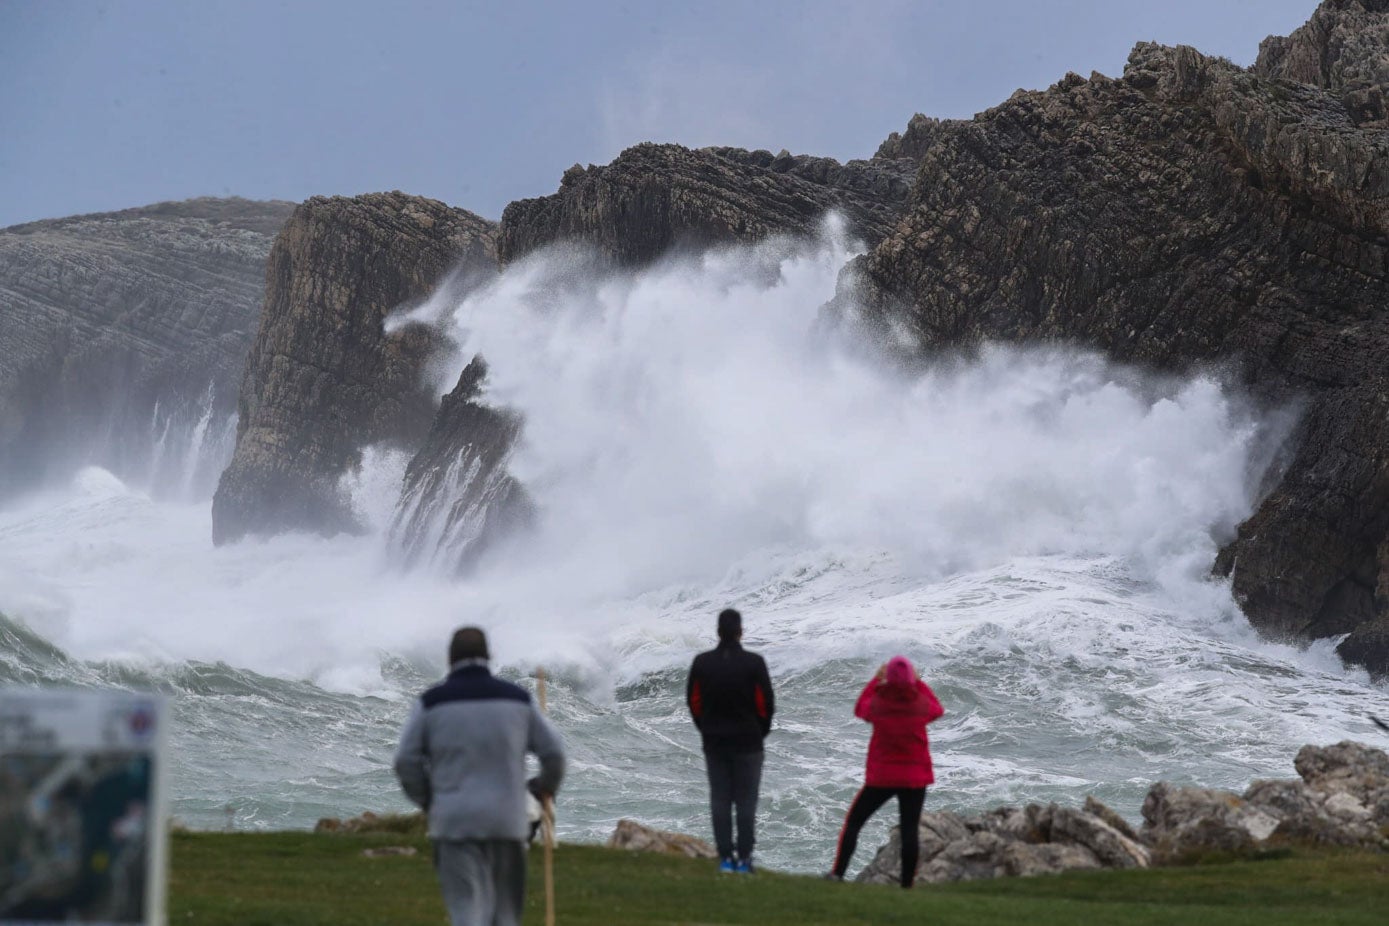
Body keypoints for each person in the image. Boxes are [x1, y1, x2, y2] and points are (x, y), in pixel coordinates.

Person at [395, 627, 565, 926]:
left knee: (466, 912)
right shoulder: (518, 699)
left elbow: (406, 761)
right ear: (489, 657)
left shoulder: (430, 702)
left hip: (454, 820)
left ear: (450, 659)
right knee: (506, 916)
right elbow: (554, 755)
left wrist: (431, 801)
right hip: (508, 821)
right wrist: (543, 790)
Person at [826, 656, 944, 888]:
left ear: (887, 679)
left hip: (882, 778)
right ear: (911, 679)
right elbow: (938, 709)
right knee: (910, 830)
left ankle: (838, 874)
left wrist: (875, 680)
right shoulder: (919, 703)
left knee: (854, 823)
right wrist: (918, 683)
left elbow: (860, 708)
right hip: (914, 778)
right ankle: (907, 886)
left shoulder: (878, 703)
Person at [685, 607, 775, 873]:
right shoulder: (754, 663)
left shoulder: (702, 663)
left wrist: (706, 728)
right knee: (746, 802)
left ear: (717, 632)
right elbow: (766, 705)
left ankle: (725, 858)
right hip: (749, 742)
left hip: (715, 741)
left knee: (721, 800)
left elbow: (694, 702)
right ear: (740, 632)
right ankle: (745, 859)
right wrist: (760, 732)